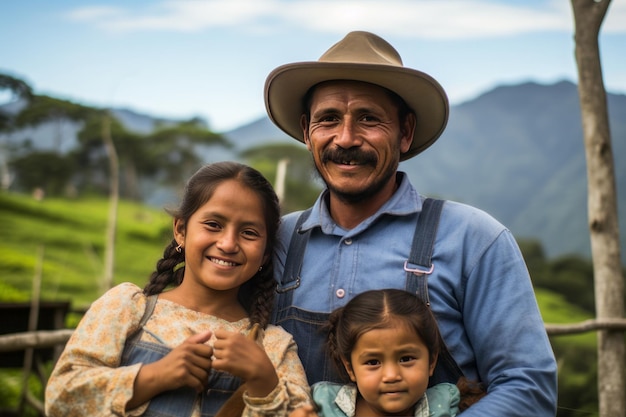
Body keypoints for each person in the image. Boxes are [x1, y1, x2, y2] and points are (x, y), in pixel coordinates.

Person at [264, 31, 558, 416]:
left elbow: (528, 387)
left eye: (368, 118)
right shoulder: (275, 241)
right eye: (329, 119)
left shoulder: (475, 239)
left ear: (405, 132)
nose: (346, 137)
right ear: (307, 132)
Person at [45, 161, 312, 417]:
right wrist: (156, 375)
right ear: (181, 230)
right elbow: (60, 398)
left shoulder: (274, 346)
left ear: (266, 253)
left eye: (249, 233)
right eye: (213, 225)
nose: (228, 243)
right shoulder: (127, 308)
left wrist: (263, 382)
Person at [293, 289, 462, 417]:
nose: (391, 375)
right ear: (350, 368)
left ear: (431, 362)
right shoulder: (324, 404)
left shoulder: (442, 406)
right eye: (373, 362)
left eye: (406, 359)